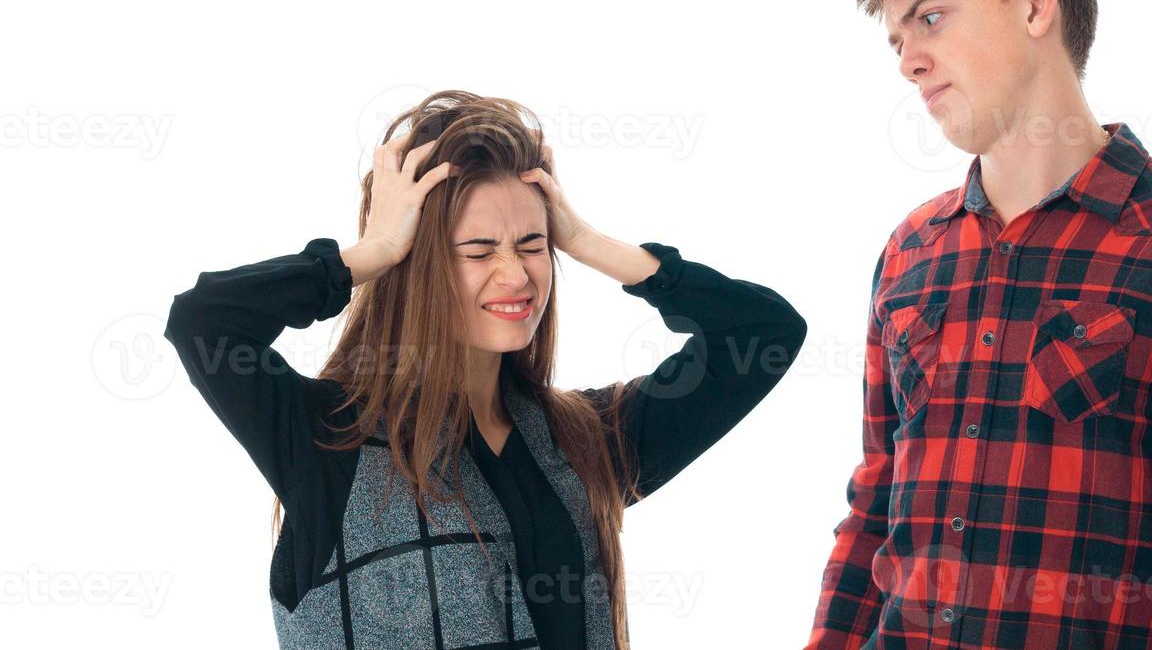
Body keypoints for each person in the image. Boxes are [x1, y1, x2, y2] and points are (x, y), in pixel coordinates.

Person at [806, 0, 1152, 648]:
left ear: (1034, 2)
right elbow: (875, 504)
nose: (908, 62)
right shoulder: (910, 251)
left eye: (930, 17)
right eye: (895, 41)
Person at [164, 90, 806, 649]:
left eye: (532, 245)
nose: (516, 274)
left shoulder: (585, 438)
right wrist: (375, 251)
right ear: (416, 263)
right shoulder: (327, 438)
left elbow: (763, 335)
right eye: (478, 250)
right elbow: (204, 322)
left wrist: (584, 240)